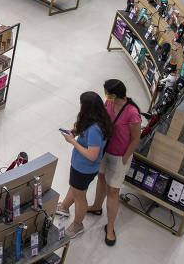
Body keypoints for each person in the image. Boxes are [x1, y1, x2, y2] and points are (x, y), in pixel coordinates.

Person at [87, 79, 141, 246]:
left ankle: (110, 227)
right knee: (101, 178)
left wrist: (125, 157)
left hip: (120, 156)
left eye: (107, 93)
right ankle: (96, 206)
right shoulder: (108, 104)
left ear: (115, 94)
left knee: (113, 191)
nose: (106, 96)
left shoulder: (132, 112)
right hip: (104, 149)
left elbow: (136, 138)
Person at [57, 91, 113, 239]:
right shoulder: (96, 119)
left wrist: (73, 142)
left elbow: (92, 154)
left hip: (84, 168)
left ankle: (78, 224)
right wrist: (75, 131)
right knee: (74, 188)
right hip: (80, 166)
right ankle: (64, 207)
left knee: (79, 195)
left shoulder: (95, 129)